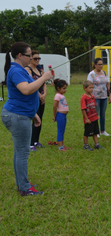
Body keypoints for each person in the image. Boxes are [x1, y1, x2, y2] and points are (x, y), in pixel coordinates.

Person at [1, 42, 52, 196]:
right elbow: (26, 90)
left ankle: (22, 183)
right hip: (17, 116)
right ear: (20, 56)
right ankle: (24, 188)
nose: (31, 58)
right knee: (23, 152)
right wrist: (44, 77)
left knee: (20, 152)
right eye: (29, 55)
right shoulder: (15, 71)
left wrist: (33, 114)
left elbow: (25, 94)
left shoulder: (20, 70)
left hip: (21, 114)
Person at [25, 50, 47, 151]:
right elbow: (31, 84)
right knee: (34, 120)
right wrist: (39, 95)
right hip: (34, 98)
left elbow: (44, 83)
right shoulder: (28, 69)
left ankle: (36, 141)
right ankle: (30, 143)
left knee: (40, 120)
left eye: (39, 58)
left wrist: (44, 95)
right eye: (35, 58)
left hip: (41, 98)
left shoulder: (39, 69)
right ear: (30, 59)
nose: (37, 60)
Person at [87, 58, 111, 137]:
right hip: (95, 97)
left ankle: (103, 130)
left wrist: (109, 95)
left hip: (104, 97)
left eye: (102, 64)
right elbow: (88, 85)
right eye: (99, 64)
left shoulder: (104, 73)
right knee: (95, 114)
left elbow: (107, 84)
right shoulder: (91, 74)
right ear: (95, 65)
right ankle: (95, 131)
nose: (101, 66)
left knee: (102, 114)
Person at [81, 80, 103, 151]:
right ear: (85, 88)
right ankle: (86, 145)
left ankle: (96, 144)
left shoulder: (92, 96)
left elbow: (95, 106)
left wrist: (96, 115)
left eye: (92, 88)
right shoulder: (84, 98)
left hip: (94, 118)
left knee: (95, 132)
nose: (92, 89)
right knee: (87, 133)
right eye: (90, 88)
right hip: (89, 119)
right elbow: (83, 109)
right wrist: (86, 119)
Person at [53, 79, 70, 150]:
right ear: (58, 88)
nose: (65, 90)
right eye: (63, 88)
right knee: (60, 131)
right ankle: (60, 147)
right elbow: (54, 106)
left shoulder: (61, 95)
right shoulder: (57, 96)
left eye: (65, 88)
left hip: (64, 116)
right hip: (60, 115)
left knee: (62, 130)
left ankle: (62, 145)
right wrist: (55, 116)